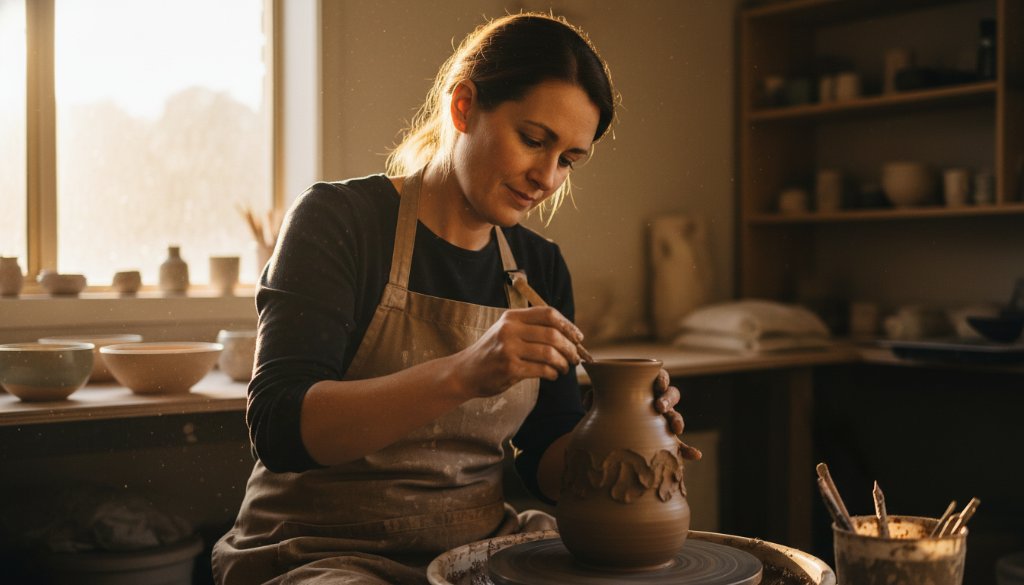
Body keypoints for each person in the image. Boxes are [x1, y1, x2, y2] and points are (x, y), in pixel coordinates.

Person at [213, 12, 696, 584]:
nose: (546, 177)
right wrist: (465, 372)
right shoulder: (338, 221)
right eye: (534, 140)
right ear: (463, 106)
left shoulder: (539, 268)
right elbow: (279, 430)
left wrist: (630, 438)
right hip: (318, 550)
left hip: (473, 549)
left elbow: (546, 459)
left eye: (567, 159)